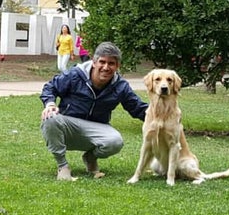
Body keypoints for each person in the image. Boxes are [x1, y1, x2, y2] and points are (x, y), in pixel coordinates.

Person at [40, 42, 148, 181]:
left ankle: (90, 157)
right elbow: (50, 87)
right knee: (50, 117)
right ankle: (63, 166)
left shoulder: (120, 86)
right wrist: (50, 104)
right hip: (69, 126)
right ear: (94, 62)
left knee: (115, 141)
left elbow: (137, 107)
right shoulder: (75, 75)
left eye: (111, 63)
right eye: (102, 62)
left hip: (96, 128)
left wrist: (163, 115)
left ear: (117, 66)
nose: (106, 67)